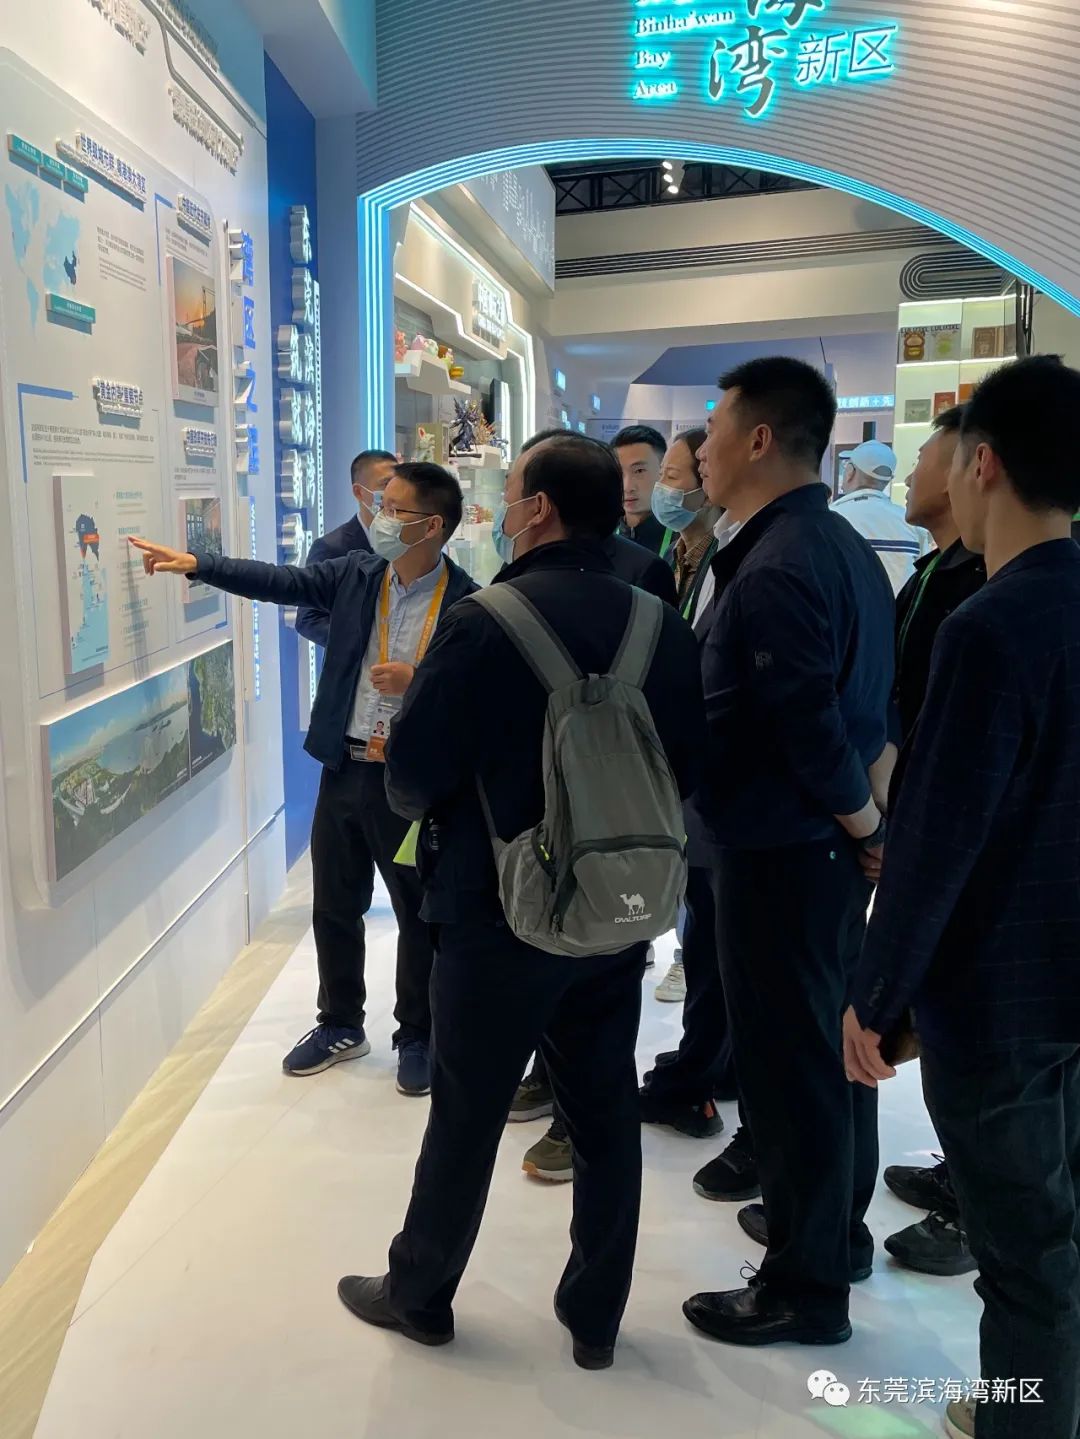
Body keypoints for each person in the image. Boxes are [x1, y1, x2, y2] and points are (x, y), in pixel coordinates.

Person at [335, 434, 705, 1369]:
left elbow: (411, 776)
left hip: (492, 911)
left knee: (465, 1112)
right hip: (615, 910)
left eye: (508, 493)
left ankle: (420, 1294)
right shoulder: (658, 620)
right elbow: (689, 765)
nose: (500, 509)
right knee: (604, 1106)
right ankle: (596, 1317)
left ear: (537, 510)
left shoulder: (483, 621)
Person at [846, 355, 1080, 1439]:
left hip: (999, 995)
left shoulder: (987, 624)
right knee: (1057, 1226)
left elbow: (938, 837)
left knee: (1022, 1249)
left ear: (984, 464)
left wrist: (878, 994)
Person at [129, 463, 475, 1098]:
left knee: (416, 912)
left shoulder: (466, 602)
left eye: (394, 509)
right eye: (380, 504)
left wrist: (418, 681)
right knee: (335, 905)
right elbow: (282, 581)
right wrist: (200, 564)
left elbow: (474, 695)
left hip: (409, 780)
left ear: (431, 526)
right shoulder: (357, 573)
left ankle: (417, 1035)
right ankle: (340, 1023)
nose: (379, 517)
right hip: (344, 767)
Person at [682, 357, 895, 1349]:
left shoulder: (777, 563)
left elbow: (809, 726)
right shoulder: (835, 543)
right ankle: (832, 1235)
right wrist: (863, 825)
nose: (702, 450)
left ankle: (804, 1287)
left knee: (789, 1068)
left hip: (782, 851)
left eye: (716, 428)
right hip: (809, 851)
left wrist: (865, 827)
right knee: (828, 1052)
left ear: (761, 438)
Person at [876, 406, 986, 1281]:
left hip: (967, 849)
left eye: (925, 457)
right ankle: (964, 1173)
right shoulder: (932, 573)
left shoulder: (988, 592)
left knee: (979, 1031)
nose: (913, 472)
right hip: (915, 809)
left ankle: (977, 1208)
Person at [296, 449, 397, 645]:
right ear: (359, 492)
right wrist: (366, 646)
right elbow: (308, 619)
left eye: (397, 485)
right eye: (385, 485)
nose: (392, 494)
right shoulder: (331, 548)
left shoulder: (410, 537)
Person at [831, 438, 927, 594]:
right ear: (889, 480)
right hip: (898, 609)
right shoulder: (911, 522)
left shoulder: (830, 517)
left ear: (850, 472)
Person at [613, 424, 673, 557]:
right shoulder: (600, 537)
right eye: (618, 472)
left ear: (663, 470)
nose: (627, 487)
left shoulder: (683, 539)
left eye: (639, 471)